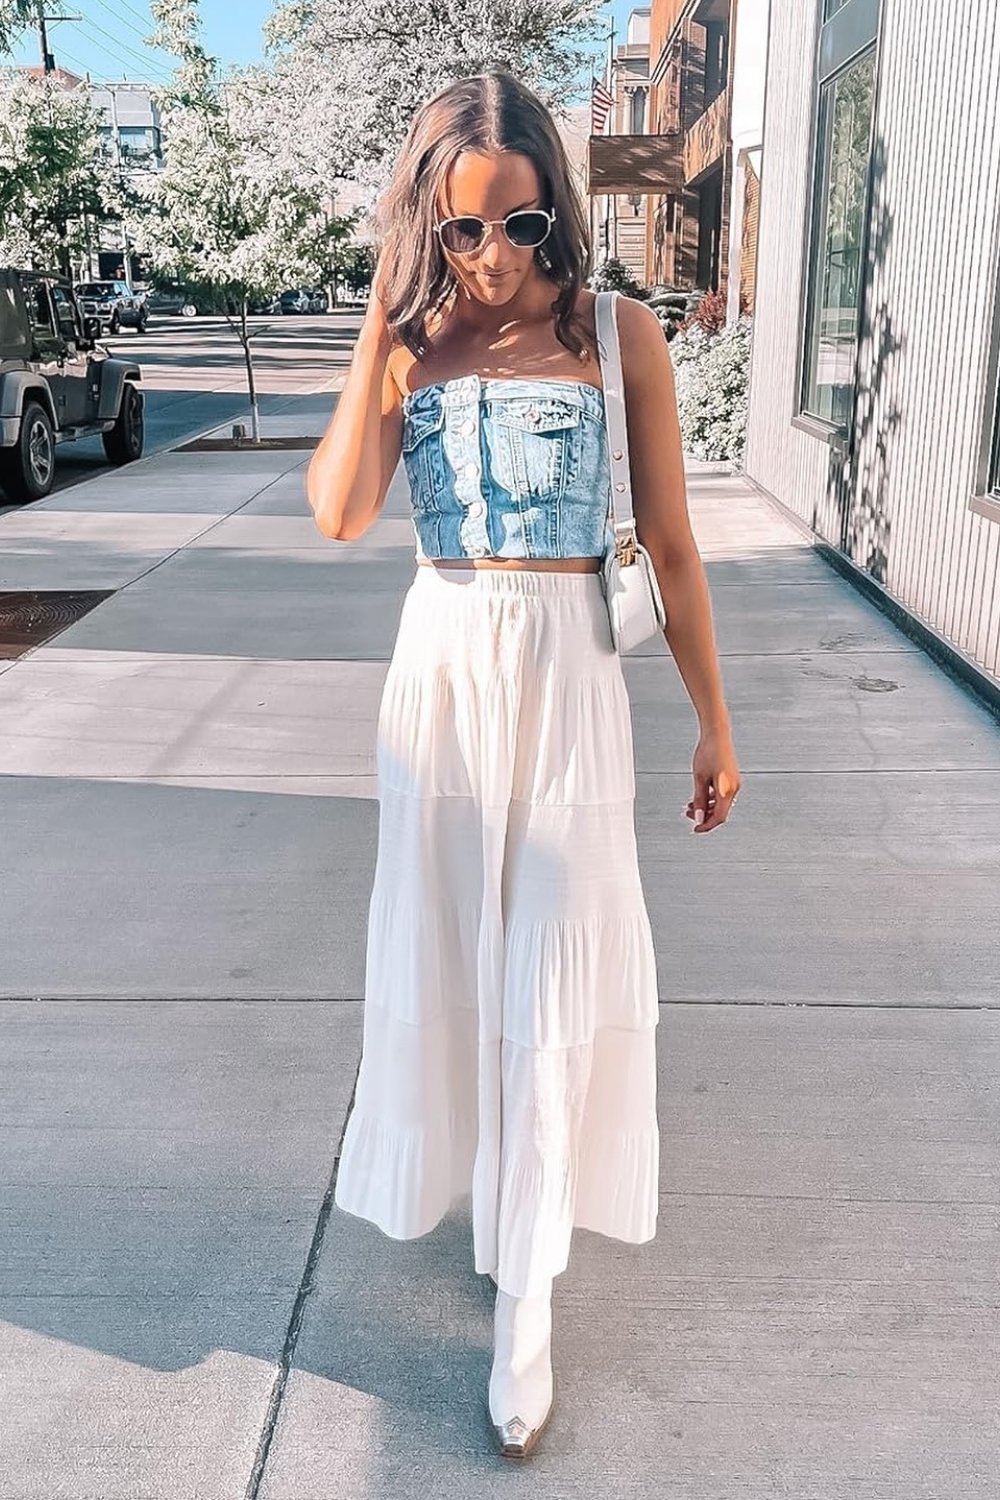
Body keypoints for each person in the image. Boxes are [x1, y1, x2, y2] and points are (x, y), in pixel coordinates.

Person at [305, 70, 741, 1459]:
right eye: (460, 233)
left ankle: (527, 1305)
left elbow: (671, 547)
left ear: (559, 209)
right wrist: (384, 314)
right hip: (439, 671)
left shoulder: (620, 340)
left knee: (549, 966)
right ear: (424, 225)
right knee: (454, 960)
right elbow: (340, 513)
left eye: (521, 227)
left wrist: (716, 722)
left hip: (569, 674)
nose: (493, 261)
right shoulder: (410, 342)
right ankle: (492, 1207)